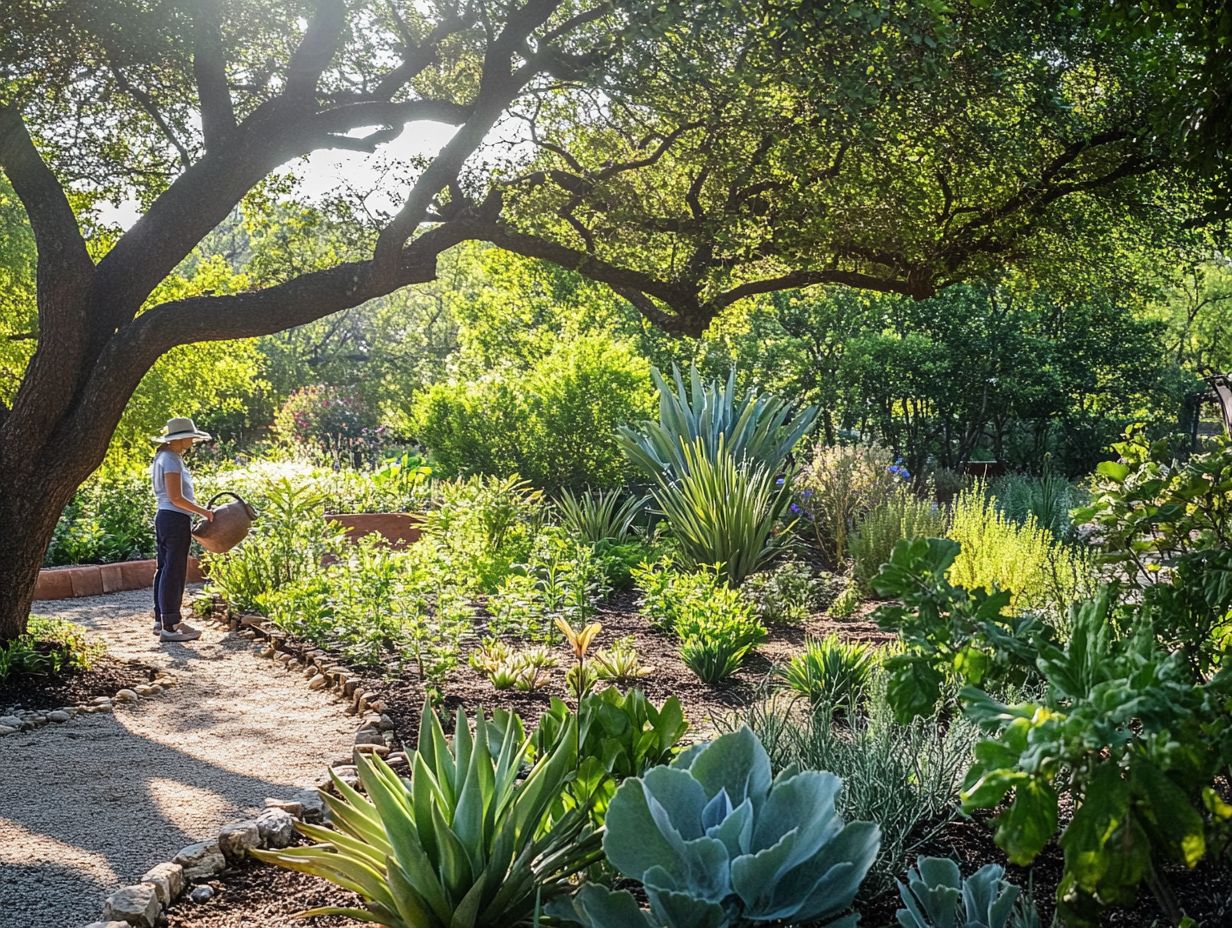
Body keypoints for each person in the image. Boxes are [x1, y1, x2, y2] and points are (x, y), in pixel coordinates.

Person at [150, 417, 214, 642]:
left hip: (164, 517)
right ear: (181, 438)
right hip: (174, 518)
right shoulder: (171, 460)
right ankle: (170, 625)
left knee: (164, 567)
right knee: (174, 571)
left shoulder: (163, 456)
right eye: (191, 437)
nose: (193, 441)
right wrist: (203, 512)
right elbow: (176, 497)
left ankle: (162, 619)